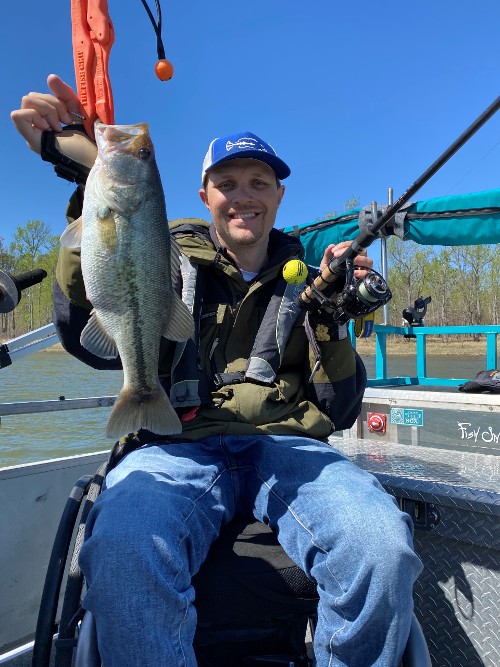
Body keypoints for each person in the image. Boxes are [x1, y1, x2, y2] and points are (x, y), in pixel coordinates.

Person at [12, 75, 423, 667]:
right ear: (204, 195)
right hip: (175, 443)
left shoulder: (308, 279)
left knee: (382, 549)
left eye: (259, 182)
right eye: (226, 183)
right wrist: (83, 179)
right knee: (124, 550)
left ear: (279, 195)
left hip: (287, 447)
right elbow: (88, 335)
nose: (244, 195)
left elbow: (339, 411)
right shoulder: (162, 249)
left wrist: (333, 320)